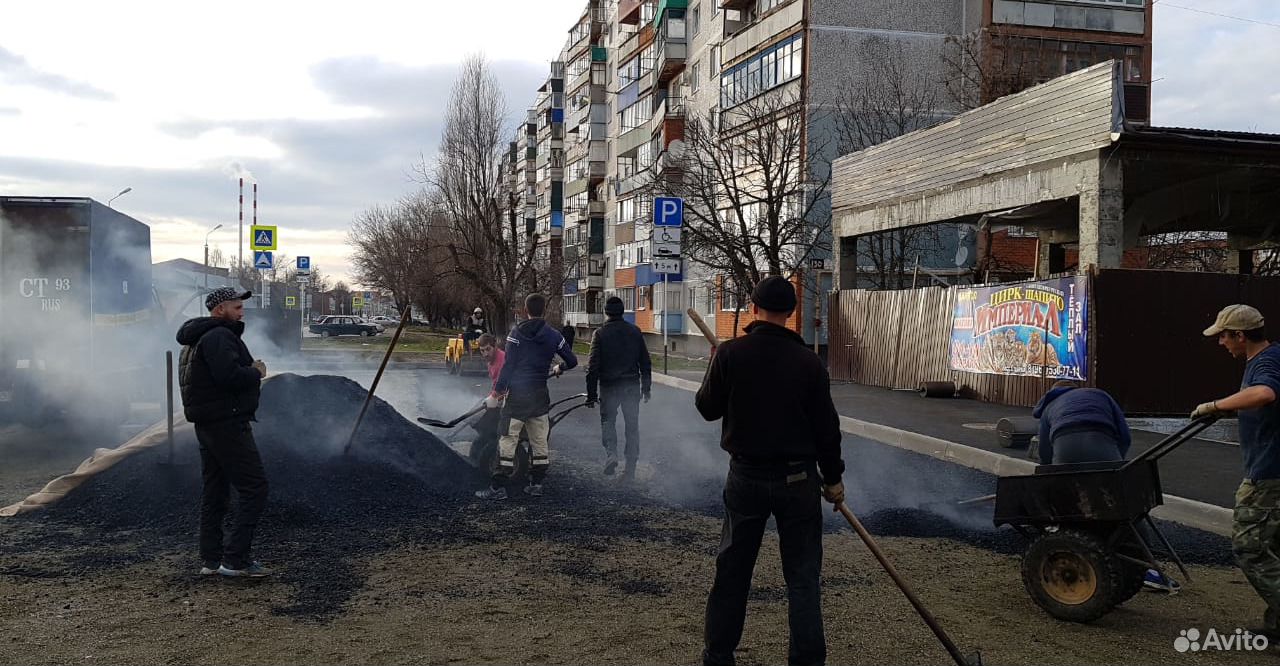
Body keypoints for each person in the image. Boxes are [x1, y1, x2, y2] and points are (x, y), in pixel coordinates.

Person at [694, 275, 845, 666]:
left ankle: (718, 656)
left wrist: (714, 370)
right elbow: (826, 429)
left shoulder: (731, 354)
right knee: (802, 577)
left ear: (753, 308)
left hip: (745, 478)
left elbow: (707, 409)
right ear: (791, 314)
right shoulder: (809, 362)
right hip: (798, 480)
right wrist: (833, 479)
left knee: (733, 571)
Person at [1193, 304, 1280, 638]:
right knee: (1274, 548)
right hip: (1272, 467)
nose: (1221, 343)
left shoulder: (1267, 363)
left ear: (1240, 336)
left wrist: (1215, 405)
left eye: (1224, 337)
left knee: (1249, 548)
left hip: (1268, 473)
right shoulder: (1272, 356)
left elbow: (1264, 394)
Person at [176, 287, 270, 578]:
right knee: (255, 488)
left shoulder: (196, 339)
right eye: (237, 308)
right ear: (220, 310)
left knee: (215, 491)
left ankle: (212, 559)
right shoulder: (218, 336)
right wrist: (256, 371)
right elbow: (229, 377)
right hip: (227, 423)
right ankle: (236, 560)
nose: (242, 312)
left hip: (208, 424)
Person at [476, 293, 578, 500]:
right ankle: (536, 485)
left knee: (507, 439)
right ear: (544, 310)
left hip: (518, 397)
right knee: (539, 440)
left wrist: (496, 394)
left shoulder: (516, 334)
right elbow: (573, 361)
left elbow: (508, 366)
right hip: (540, 395)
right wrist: (560, 366)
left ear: (526, 310)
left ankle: (497, 489)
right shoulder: (554, 336)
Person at [585, 296, 652, 479]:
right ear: (623, 311)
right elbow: (645, 362)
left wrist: (591, 395)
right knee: (632, 427)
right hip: (631, 386)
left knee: (608, 422)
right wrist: (646, 388)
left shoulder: (600, 334)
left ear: (606, 312)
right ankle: (630, 468)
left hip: (609, 387)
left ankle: (611, 454)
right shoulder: (635, 332)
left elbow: (593, 367)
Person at [1031, 380, 1131, 465]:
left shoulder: (1049, 406)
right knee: (1112, 483)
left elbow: (1044, 449)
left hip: (1065, 444)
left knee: (1063, 484)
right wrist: (1117, 460)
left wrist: (1048, 470)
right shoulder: (1100, 394)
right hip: (1102, 439)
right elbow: (1125, 435)